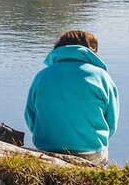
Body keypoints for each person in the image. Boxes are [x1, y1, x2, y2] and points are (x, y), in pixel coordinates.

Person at [24, 29, 119, 165]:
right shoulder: (101, 77)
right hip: (90, 152)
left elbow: (30, 115)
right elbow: (111, 123)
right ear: (92, 51)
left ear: (58, 49)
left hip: (47, 149)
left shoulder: (42, 76)